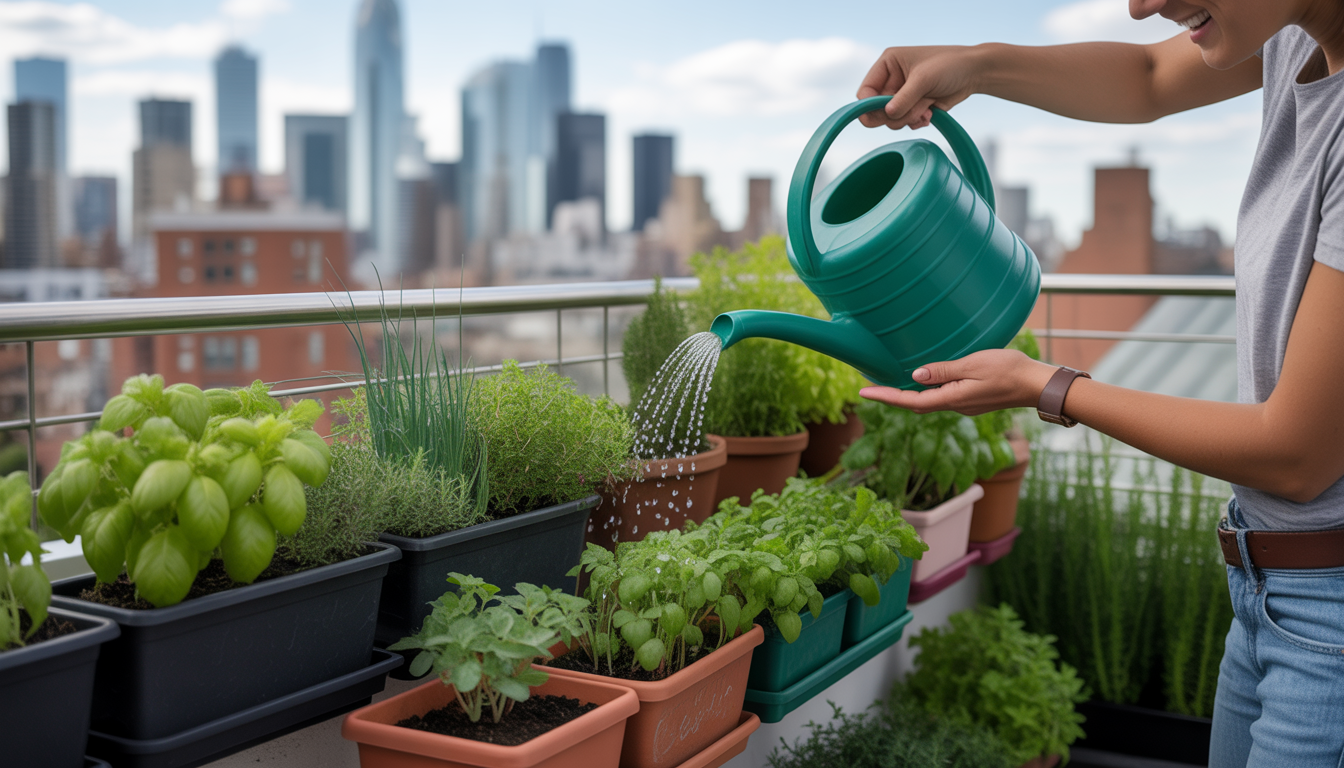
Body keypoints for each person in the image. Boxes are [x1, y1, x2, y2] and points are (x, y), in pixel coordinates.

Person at [854, 2, 1344, 766]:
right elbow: (1148, 75)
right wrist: (977, 64)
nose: (1142, 4)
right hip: (1269, 583)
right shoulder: (1294, 37)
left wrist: (1044, 385)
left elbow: (1297, 454)